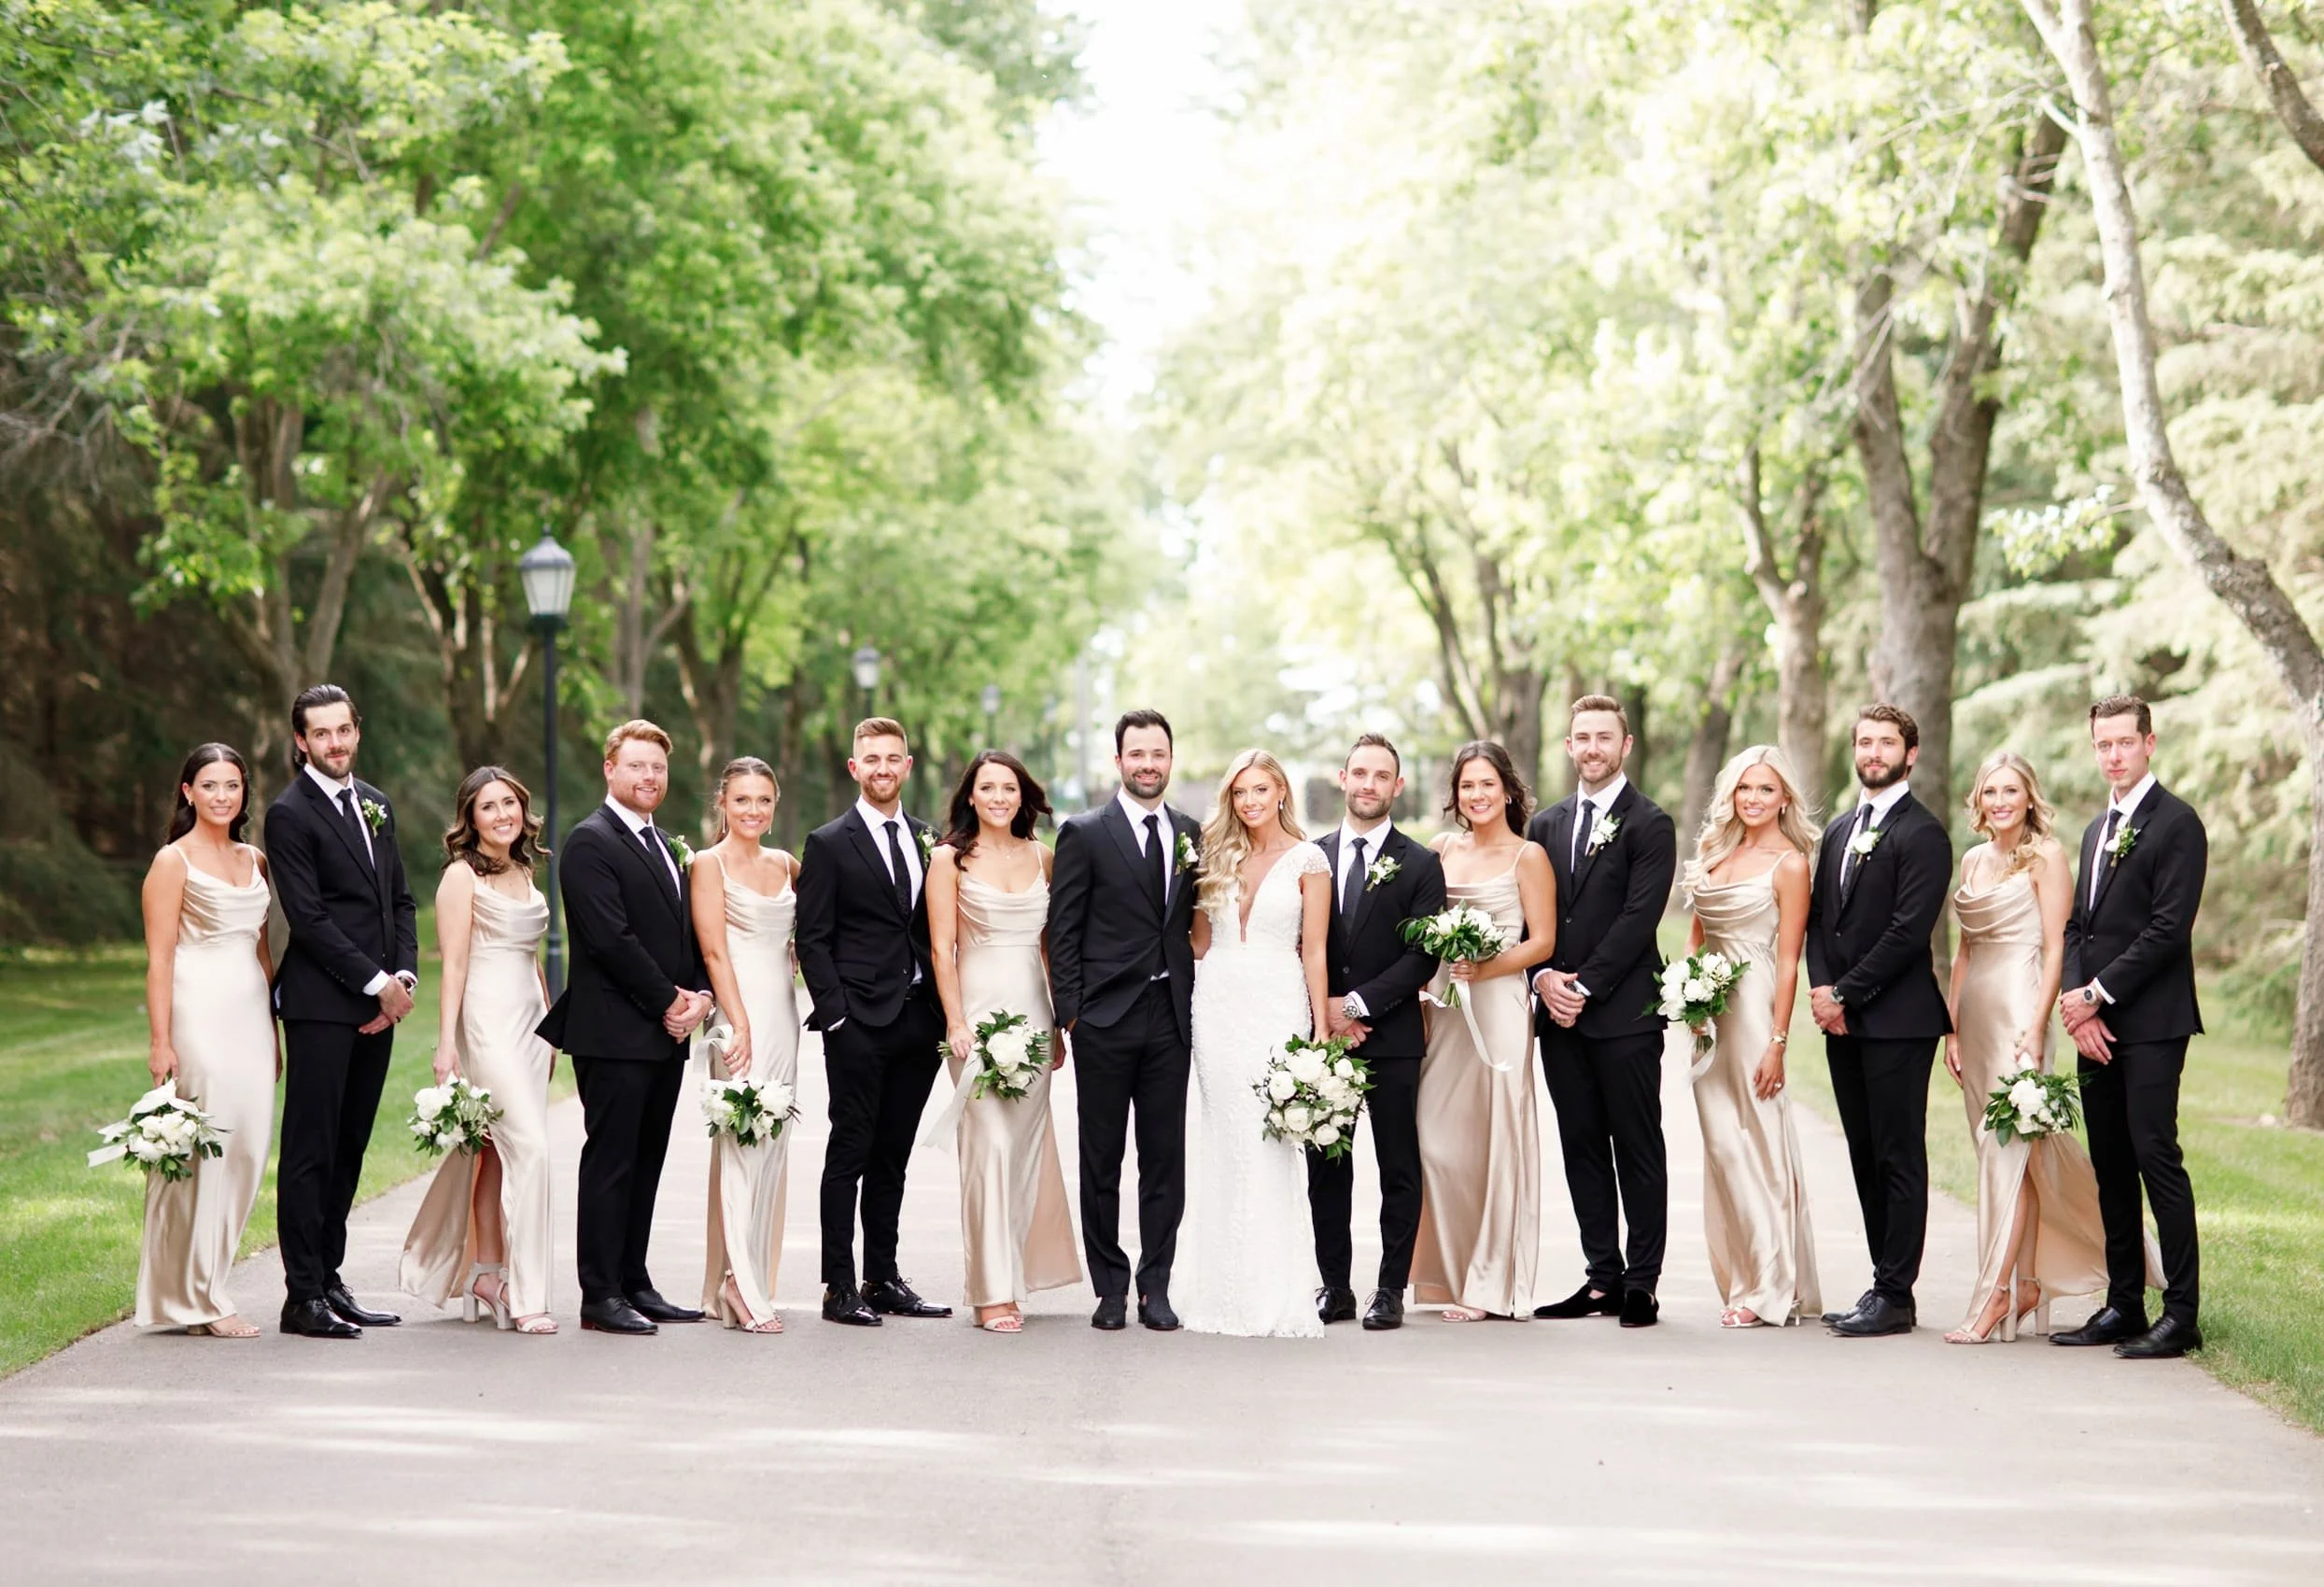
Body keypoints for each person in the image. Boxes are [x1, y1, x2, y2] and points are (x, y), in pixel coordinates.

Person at [1943, 751, 2131, 1344]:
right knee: (2003, 1159)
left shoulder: (2047, 856)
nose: (2000, 801)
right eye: (1990, 791)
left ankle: (1992, 1297)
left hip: (2020, 1011)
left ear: (2029, 798)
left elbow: (2056, 947)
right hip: (1974, 1014)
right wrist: (1950, 1027)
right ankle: (2025, 1284)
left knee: (2009, 1151)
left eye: (2011, 791)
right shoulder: (1973, 859)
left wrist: (2036, 1024)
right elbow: (1964, 952)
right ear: (1979, 799)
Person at [537, 720, 712, 1336]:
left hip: (663, 1033)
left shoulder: (663, 844)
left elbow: (682, 930)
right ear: (609, 769)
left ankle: (635, 1280)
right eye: (637, 765)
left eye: (658, 768)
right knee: (611, 1160)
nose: (649, 777)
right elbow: (610, 939)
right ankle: (600, 1293)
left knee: (647, 1159)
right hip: (613, 1031)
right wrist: (667, 1000)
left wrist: (698, 996)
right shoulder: (590, 842)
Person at [2054, 695, 2208, 1360]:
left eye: (2123, 742)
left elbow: (2167, 931)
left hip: (2150, 1022)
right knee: (2109, 1164)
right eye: (2102, 745)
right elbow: (2076, 927)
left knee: (2153, 1156)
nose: (2111, 755)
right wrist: (2074, 997)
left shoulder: (2177, 824)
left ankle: (2181, 1314)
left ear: (2150, 743)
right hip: (2095, 1024)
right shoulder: (2094, 830)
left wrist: (2096, 993)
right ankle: (2122, 1303)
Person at [266, 684, 418, 1339]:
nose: (335, 743)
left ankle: (330, 1278)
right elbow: (309, 918)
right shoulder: (288, 813)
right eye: (320, 734)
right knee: (311, 1150)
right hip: (322, 1006)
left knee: (350, 1147)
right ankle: (301, 1296)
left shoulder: (376, 804)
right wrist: (375, 982)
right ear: (301, 741)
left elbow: (402, 902)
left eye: (343, 730)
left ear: (358, 730)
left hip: (379, 1007)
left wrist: (402, 977)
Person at [1527, 695, 1679, 1329]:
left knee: (1636, 1147)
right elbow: (1531, 919)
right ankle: (1601, 1278)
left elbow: (1636, 919)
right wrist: (1541, 979)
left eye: (1603, 737)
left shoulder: (1651, 823)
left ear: (1625, 745)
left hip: (1623, 1017)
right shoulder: (1544, 825)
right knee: (1580, 1146)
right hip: (1557, 1019)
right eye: (1581, 737)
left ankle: (1641, 1282)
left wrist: (1580, 986)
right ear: (1568, 747)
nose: (1591, 747)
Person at [1047, 709, 1201, 1332]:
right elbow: (1063, 930)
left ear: (1170, 759)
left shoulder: (1191, 832)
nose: (1147, 764)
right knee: (1100, 1158)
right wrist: (1073, 1015)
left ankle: (1154, 1286)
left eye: (1157, 754)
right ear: (1118, 762)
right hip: (1103, 1022)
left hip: (1169, 1018)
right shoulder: (1083, 832)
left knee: (1164, 1158)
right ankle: (1109, 1287)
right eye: (1136, 754)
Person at [796, 718, 951, 1327]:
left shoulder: (928, 839)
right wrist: (837, 1016)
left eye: (894, 758)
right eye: (871, 759)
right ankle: (839, 1287)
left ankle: (882, 1278)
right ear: (854, 769)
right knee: (850, 1151)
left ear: (907, 768)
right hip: (858, 1022)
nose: (883, 768)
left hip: (919, 1022)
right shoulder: (829, 842)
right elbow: (813, 937)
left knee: (893, 1157)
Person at [1806, 704, 1953, 1339]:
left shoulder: (1923, 834)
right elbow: (1818, 917)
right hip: (1842, 1020)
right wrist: (1820, 989)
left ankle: (1897, 1294)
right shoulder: (1839, 828)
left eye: (1885, 743)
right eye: (1864, 742)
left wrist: (1844, 992)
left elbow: (1905, 932)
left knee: (1897, 1155)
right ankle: (1879, 1283)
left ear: (1909, 754)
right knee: (1864, 1154)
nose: (1872, 753)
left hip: (1897, 1020)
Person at [1178, 748, 1334, 1339]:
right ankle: (1215, 1288)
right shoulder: (1213, 856)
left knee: (1270, 1138)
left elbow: (1313, 949)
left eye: (1260, 791)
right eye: (1240, 793)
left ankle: (1273, 1289)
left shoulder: (1308, 860)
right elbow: (1198, 941)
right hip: (1217, 1002)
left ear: (1281, 794)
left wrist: (1320, 1029)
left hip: (1277, 1001)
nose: (1249, 802)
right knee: (1223, 1136)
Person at [925, 751, 1081, 1332]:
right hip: (978, 1016)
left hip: (1035, 1016)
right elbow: (943, 949)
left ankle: (1012, 1273)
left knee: (1025, 1151)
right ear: (970, 795)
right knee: (986, 1147)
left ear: (1023, 796)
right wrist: (956, 1022)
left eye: (1008, 788)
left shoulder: (1043, 857)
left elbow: (1049, 946)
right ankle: (989, 1291)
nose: (998, 797)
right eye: (987, 787)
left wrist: (1060, 1021)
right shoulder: (948, 860)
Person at [400, 767, 557, 1335]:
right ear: (470, 818)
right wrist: (448, 1046)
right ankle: (529, 1296)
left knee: (493, 1154)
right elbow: (455, 966)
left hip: (531, 1026)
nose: (502, 815)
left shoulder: (524, 868)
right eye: (488, 807)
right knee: (533, 1151)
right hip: (487, 1024)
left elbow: (533, 958)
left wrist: (550, 1031)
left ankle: (488, 1274)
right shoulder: (460, 877)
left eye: (510, 803)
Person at [134, 745, 277, 1337]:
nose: (223, 796)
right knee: (205, 1148)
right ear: (188, 792)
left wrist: (273, 1031)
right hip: (198, 1009)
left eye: (233, 786)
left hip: (249, 1011)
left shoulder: (256, 860)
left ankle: (196, 1288)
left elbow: (265, 954)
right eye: (211, 785)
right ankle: (202, 1298)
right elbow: (159, 958)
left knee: (246, 1150)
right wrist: (161, 1042)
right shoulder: (173, 861)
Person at [1413, 740, 1555, 1321]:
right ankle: (1446, 1274)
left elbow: (1542, 941)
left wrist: (1484, 967)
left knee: (1497, 1135)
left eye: (1487, 785)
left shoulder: (1529, 857)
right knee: (1436, 1136)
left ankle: (1489, 1284)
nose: (1477, 795)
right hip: (1446, 1006)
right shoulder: (1440, 850)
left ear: (1507, 791)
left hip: (1497, 1006)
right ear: (1455, 795)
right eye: (1467, 786)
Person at [1307, 735, 1445, 1331]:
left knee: (1397, 1165)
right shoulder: (1311, 857)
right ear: (1342, 778)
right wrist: (1326, 1014)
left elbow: (1423, 956)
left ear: (1398, 787)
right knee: (1327, 1165)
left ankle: (1389, 1287)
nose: (1368, 784)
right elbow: (1299, 943)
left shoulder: (1421, 864)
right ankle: (1334, 1285)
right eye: (1359, 773)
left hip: (1390, 1038)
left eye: (1380, 775)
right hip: (1325, 1041)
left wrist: (1359, 1005)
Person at [1683, 746, 1822, 1327]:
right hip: (1710, 1010)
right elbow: (1696, 934)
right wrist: (1688, 994)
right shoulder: (1714, 854)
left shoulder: (1789, 864)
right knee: (1722, 1146)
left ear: (1785, 796)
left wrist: (1778, 1040)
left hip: (1756, 1004)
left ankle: (1769, 1287)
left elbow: (1790, 960)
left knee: (1759, 1143)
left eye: (1766, 789)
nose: (1754, 799)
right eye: (1745, 789)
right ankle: (1746, 1273)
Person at [691, 756, 801, 1335]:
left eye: (763, 800)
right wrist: (740, 1023)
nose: (753, 811)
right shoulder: (708, 865)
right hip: (740, 1017)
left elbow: (801, 943)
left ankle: (749, 1271)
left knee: (773, 1144)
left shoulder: (786, 864)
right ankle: (737, 1282)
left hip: (783, 1014)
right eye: (742, 801)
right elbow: (713, 953)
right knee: (740, 1143)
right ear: (723, 805)